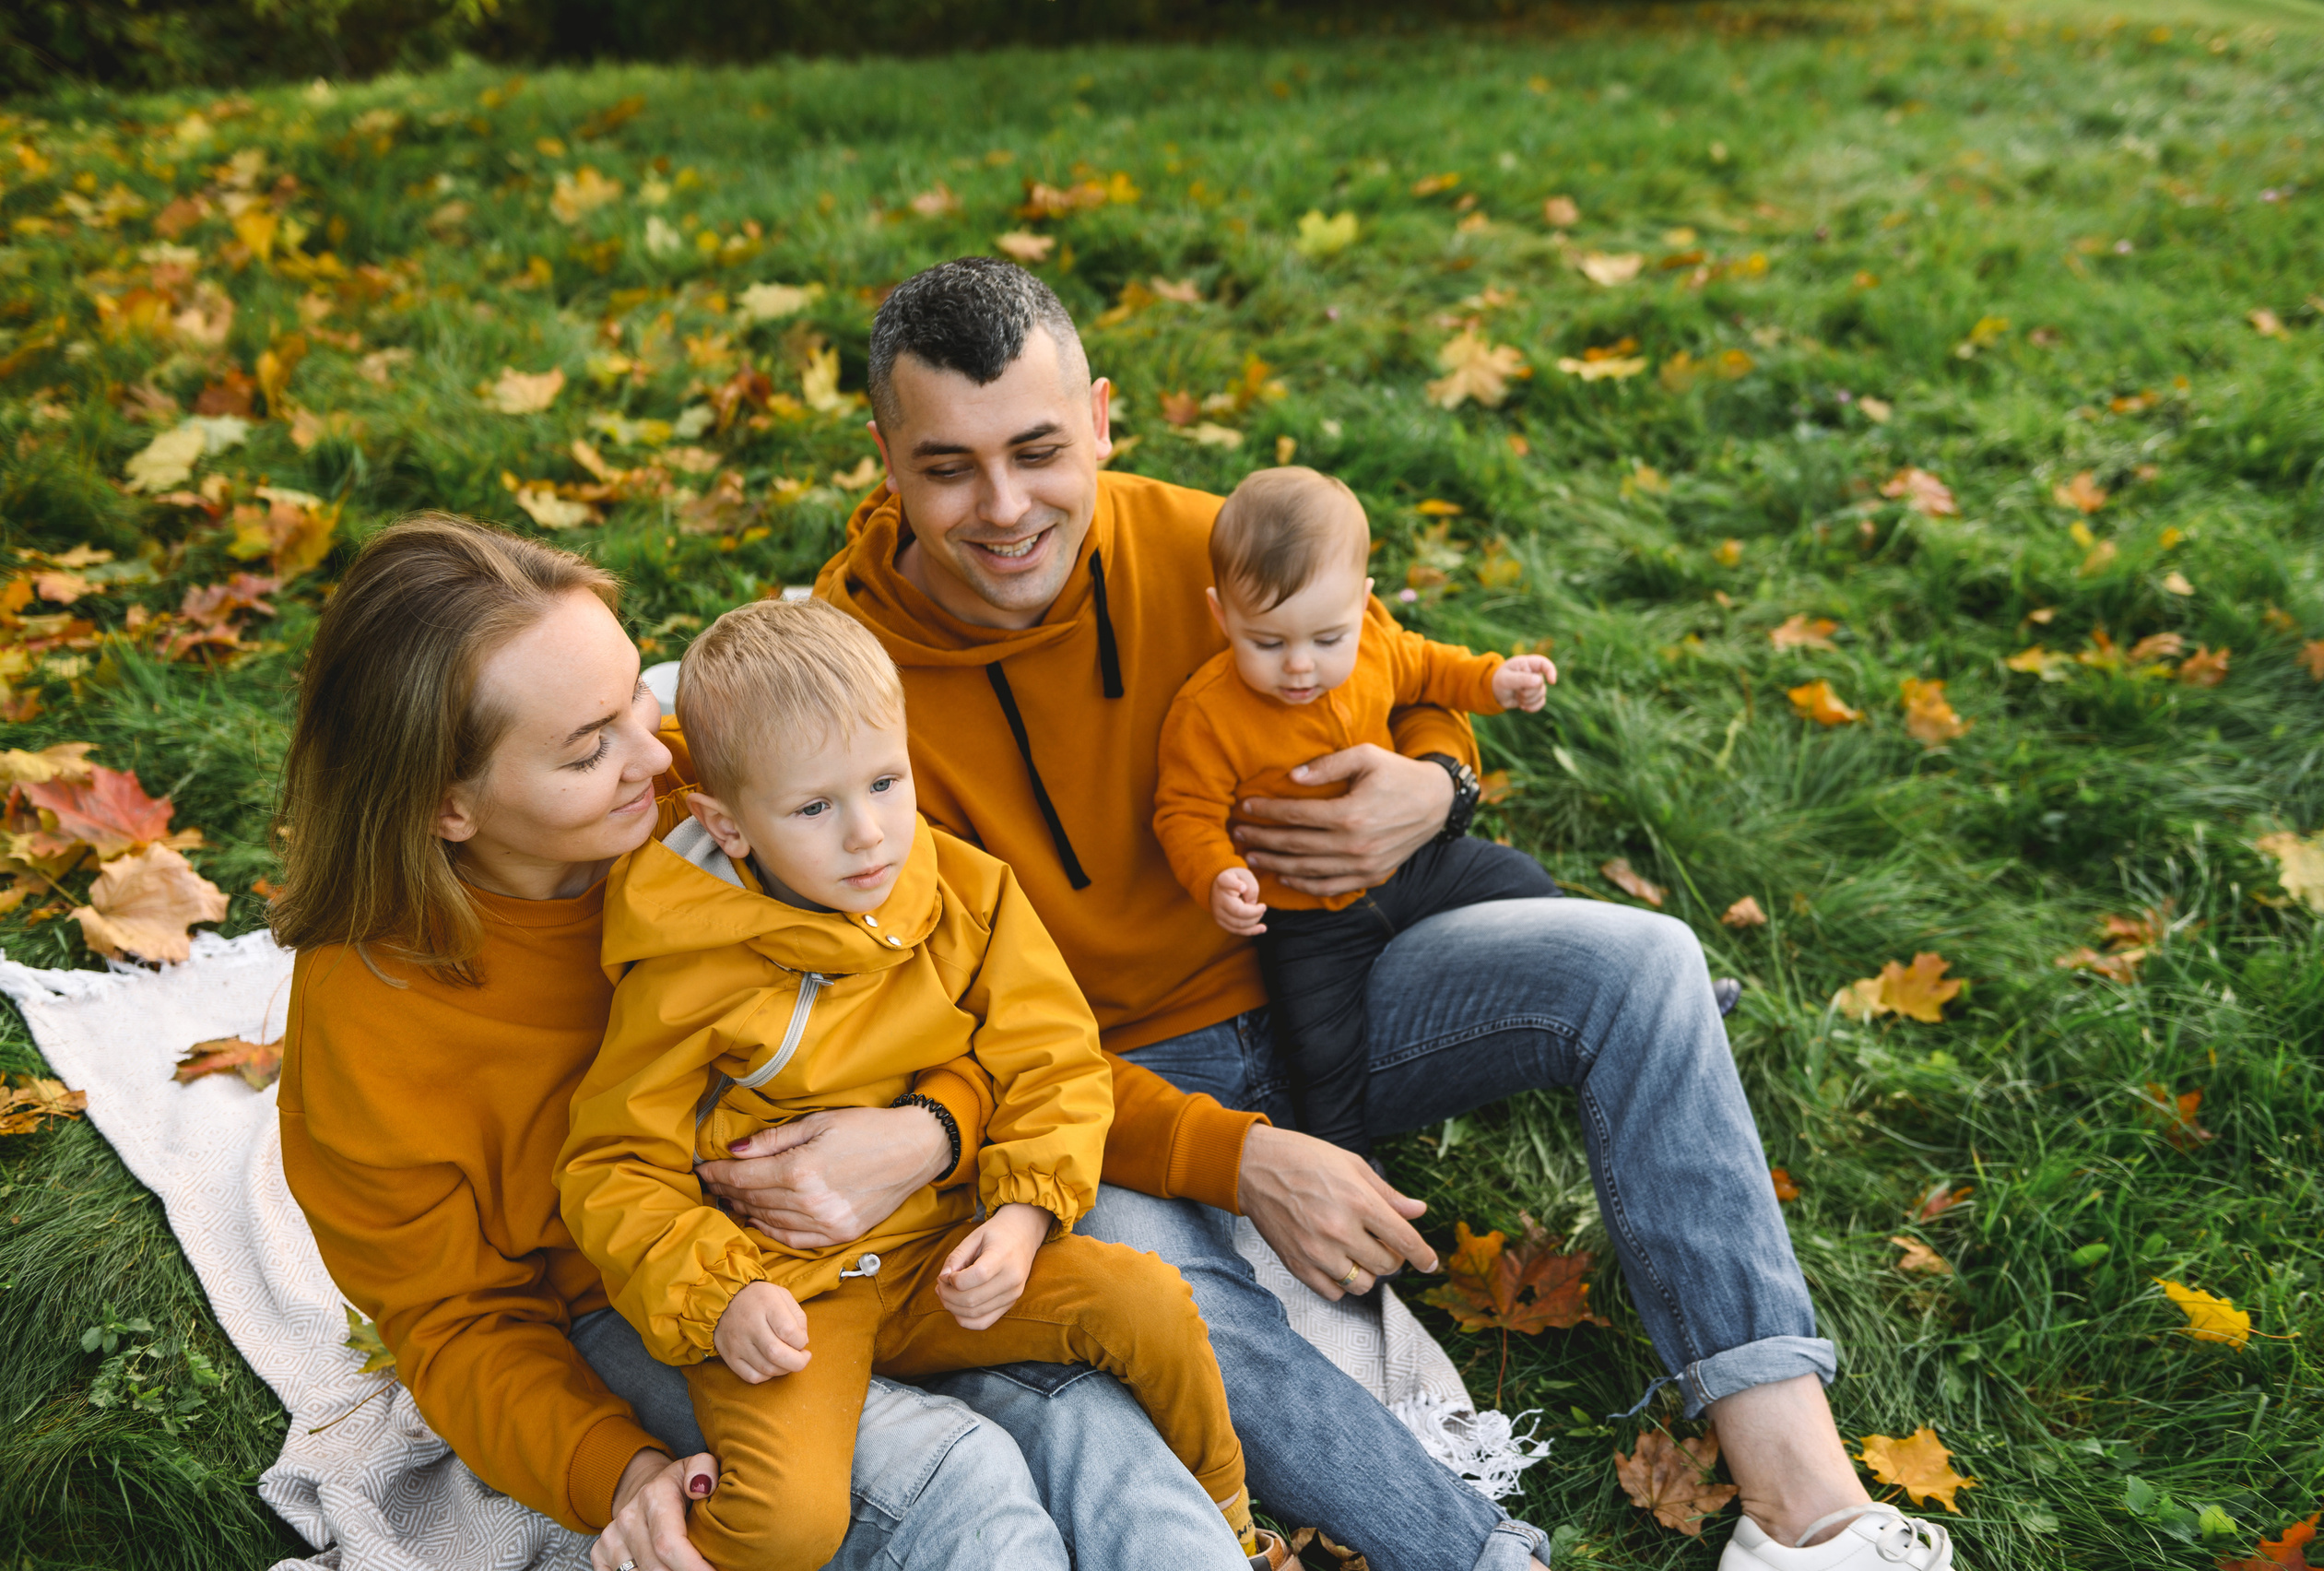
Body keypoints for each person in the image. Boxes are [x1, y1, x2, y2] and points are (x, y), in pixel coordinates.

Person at [773, 255, 1959, 1571]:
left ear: (1102, 420)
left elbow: (1397, 673)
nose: (1004, 509)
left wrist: (1435, 787)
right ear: (884, 455)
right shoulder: (841, 695)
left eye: (1040, 452)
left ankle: (1803, 1506)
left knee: (1645, 963)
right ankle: (1481, 1557)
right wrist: (1238, 1162)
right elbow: (952, 1043)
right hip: (1091, 1100)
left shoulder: (1209, 546)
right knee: (1154, 1302)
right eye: (948, 468)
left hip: (1332, 979)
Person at [271, 517, 1249, 1571]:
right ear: (447, 807)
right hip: (641, 1301)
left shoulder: (736, 800)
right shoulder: (369, 1022)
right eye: (589, 748)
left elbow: (995, 1001)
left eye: (637, 697)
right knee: (958, 1481)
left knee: (1098, 1424)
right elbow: (457, 1325)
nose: (656, 754)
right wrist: (616, 1472)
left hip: (895, 1237)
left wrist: (934, 1130)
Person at [557, 597, 1263, 1568]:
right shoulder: (685, 967)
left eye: (886, 782)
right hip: (789, 1295)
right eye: (814, 809)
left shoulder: (966, 892)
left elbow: (1052, 1055)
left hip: (944, 1255)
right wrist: (720, 1299)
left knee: (1150, 1304)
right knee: (788, 1524)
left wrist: (1022, 1216)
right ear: (728, 825)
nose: (868, 836)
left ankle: (1233, 1520)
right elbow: (614, 1166)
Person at [1154, 466, 1561, 1156]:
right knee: (1320, 1053)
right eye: (1268, 642)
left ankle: (1606, 987)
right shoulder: (1208, 713)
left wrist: (1494, 679)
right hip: (1305, 917)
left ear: (1363, 604)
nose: (1300, 667)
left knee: (1525, 887)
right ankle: (1349, 1165)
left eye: (1326, 639)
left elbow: (1430, 668)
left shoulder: (1372, 646)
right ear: (1222, 616)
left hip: (1412, 862)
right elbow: (1184, 811)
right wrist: (1217, 874)